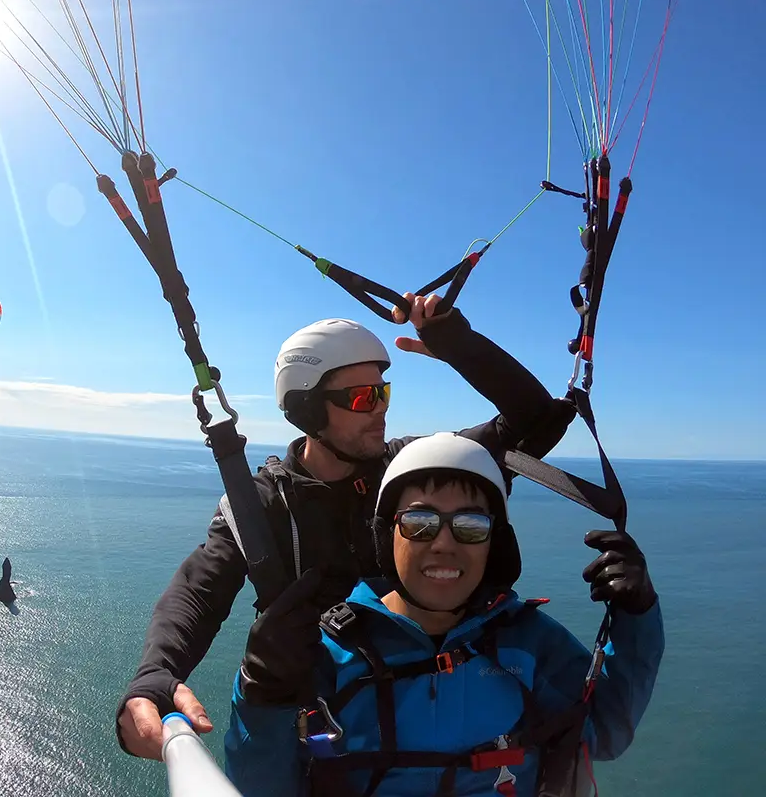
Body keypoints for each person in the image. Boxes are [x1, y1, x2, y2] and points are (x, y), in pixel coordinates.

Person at [117, 294, 580, 759]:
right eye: (362, 398)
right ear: (309, 409)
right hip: (332, 731)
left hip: (441, 713)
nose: (379, 408)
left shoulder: (412, 469)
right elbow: (200, 589)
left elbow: (536, 423)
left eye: (384, 392)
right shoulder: (265, 505)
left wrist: (459, 345)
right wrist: (156, 673)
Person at [224, 432, 664, 796]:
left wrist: (635, 615)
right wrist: (261, 690)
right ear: (386, 535)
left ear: (495, 547)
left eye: (471, 526)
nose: (444, 543)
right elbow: (261, 787)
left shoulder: (527, 642)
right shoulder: (326, 653)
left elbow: (605, 729)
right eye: (420, 523)